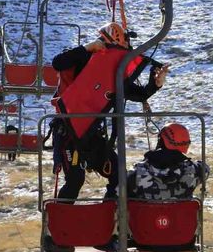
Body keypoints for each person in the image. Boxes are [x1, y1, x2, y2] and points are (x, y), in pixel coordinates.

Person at [50, 22, 170, 201]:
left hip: (92, 133)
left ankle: (111, 216)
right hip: (69, 131)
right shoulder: (83, 58)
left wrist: (156, 84)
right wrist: (87, 47)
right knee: (75, 180)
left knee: (120, 175)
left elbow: (137, 93)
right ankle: (59, 223)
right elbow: (58, 62)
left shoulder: (113, 74)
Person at [128, 123, 209, 252]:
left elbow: (123, 190)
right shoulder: (192, 172)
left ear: (161, 140)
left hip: (144, 240)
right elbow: (205, 170)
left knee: (133, 237)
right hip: (180, 240)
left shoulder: (139, 171)